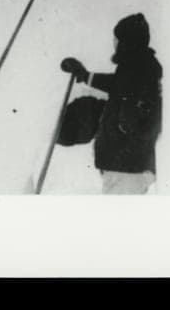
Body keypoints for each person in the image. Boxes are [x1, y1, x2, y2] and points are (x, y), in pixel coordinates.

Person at [60, 13, 163, 195]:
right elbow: (118, 84)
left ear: (127, 42)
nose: (114, 43)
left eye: (118, 39)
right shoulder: (138, 67)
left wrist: (124, 126)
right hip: (125, 165)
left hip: (126, 167)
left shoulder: (139, 68)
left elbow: (131, 105)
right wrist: (86, 76)